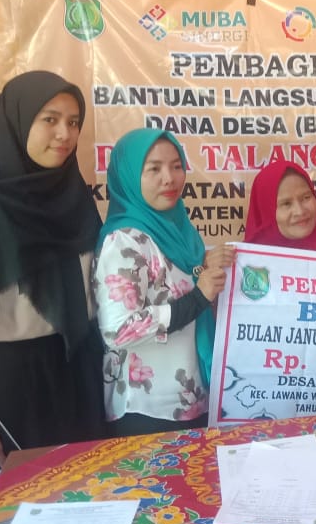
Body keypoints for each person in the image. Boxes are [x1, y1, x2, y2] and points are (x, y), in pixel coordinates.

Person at [0, 70, 106, 524]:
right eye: (49, 119)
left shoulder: (75, 199)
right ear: (16, 122)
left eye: (73, 122)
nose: (64, 134)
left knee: (84, 515)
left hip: (79, 371)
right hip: (16, 385)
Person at [93, 129, 235, 438]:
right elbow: (117, 330)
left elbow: (176, 286)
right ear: (130, 176)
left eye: (176, 166)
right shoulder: (125, 242)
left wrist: (205, 269)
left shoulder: (180, 232)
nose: (169, 178)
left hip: (192, 397)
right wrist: (198, 296)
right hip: (146, 407)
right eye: (154, 169)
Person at [243, 159, 316, 254]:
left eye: (306, 197)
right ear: (267, 212)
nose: (300, 211)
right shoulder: (249, 258)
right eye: (286, 203)